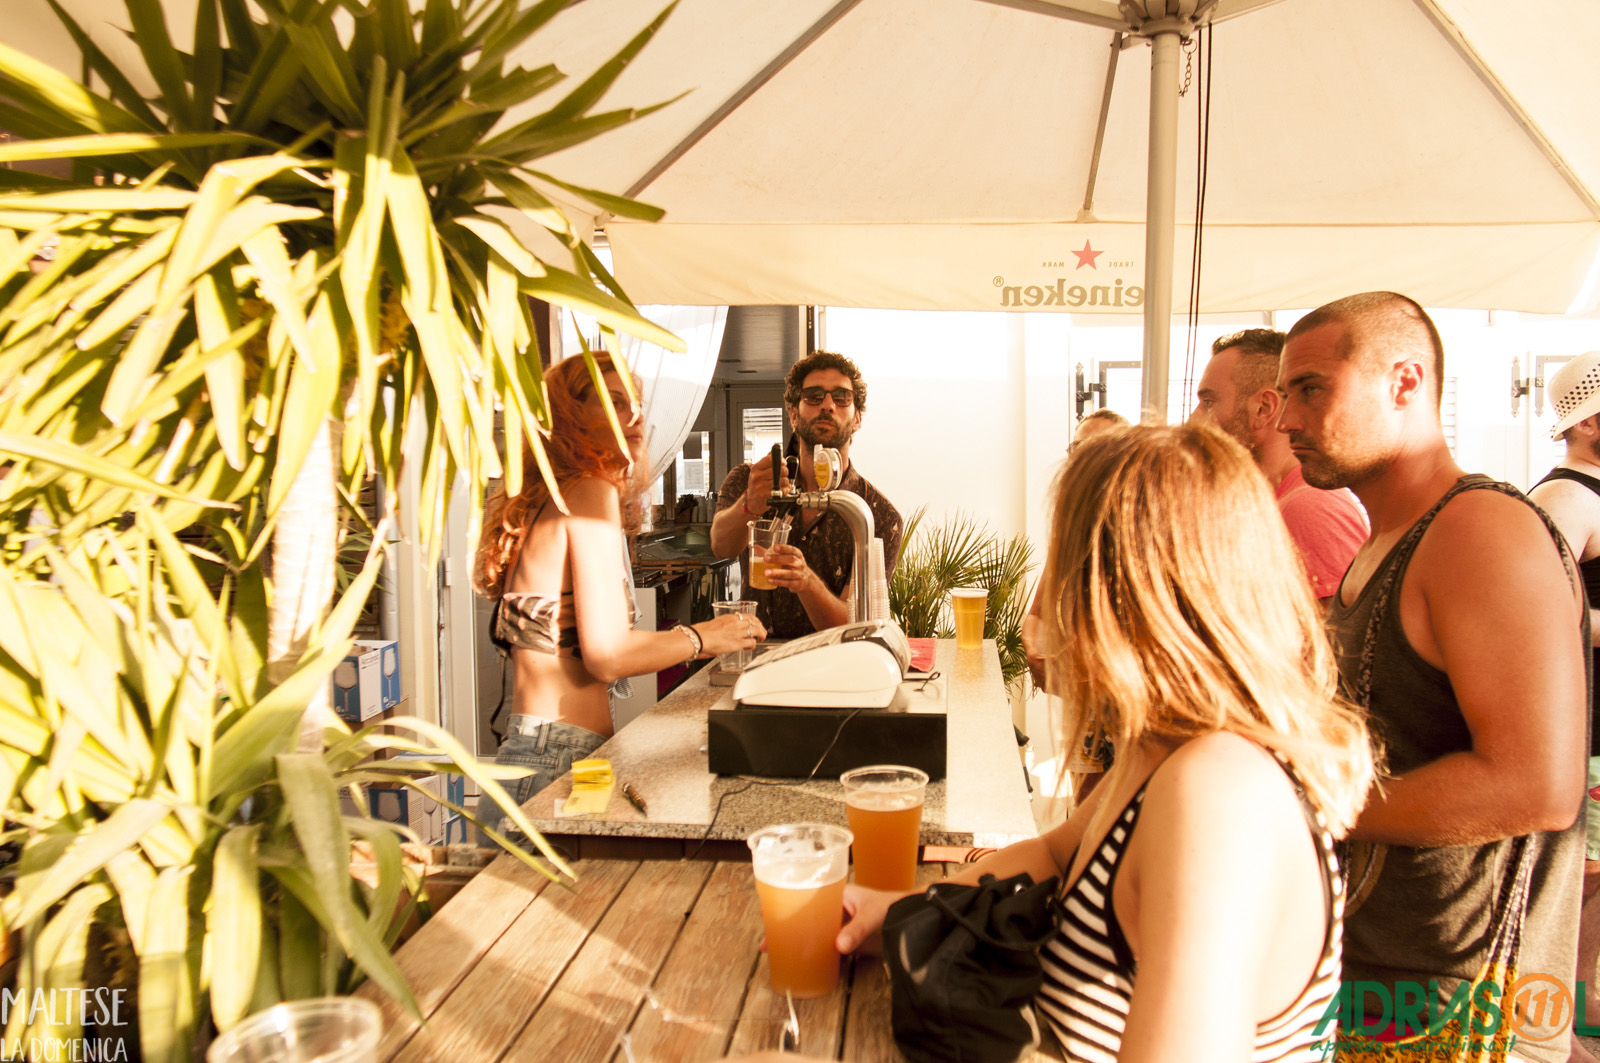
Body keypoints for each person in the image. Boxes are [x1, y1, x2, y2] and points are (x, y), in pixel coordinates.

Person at [835, 424, 1375, 1063]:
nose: (1045, 611)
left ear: (1127, 593)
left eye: (1066, 567)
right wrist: (903, 910)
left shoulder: (1218, 790)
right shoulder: (1163, 747)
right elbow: (1055, 852)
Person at [1276, 292, 1587, 1062]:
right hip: (1388, 985)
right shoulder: (1387, 538)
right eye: (1284, 394)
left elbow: (1536, 785)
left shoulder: (1479, 528)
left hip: (1466, 1005)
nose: (1287, 419)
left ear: (1405, 381)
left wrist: (1309, 806)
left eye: (1311, 388)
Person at [471, 353, 767, 829]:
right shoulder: (590, 491)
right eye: (612, 402)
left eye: (636, 404)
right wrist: (706, 636)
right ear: (568, 417)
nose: (634, 417)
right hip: (555, 760)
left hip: (541, 753)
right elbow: (606, 655)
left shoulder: (552, 497)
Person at [710, 351, 903, 638]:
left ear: (857, 419)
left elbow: (854, 625)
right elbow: (720, 547)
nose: (828, 405)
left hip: (832, 660)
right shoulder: (751, 481)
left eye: (842, 397)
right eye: (814, 396)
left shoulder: (877, 515)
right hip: (757, 653)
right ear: (793, 415)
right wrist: (748, 504)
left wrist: (807, 583)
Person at [1525, 349, 1600, 1063]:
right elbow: (1541, 605)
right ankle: (1554, 1027)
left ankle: (1579, 1005)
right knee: (1577, 881)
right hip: (1586, 726)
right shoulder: (1565, 497)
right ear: (1588, 422)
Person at [1189, 328, 1368, 601]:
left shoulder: (1310, 507)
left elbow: (1337, 628)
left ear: (1263, 408)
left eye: (1209, 402)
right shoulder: (1278, 502)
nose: (1194, 419)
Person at [1022, 407, 1128, 691]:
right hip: (1082, 705)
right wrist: (1034, 653)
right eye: (1077, 447)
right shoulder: (1069, 527)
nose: (1083, 457)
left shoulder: (1137, 532)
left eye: (1097, 447)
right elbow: (1037, 614)